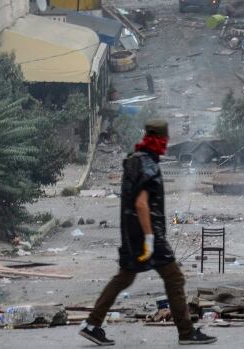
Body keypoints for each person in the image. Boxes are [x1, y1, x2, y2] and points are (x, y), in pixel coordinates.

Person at [79, 120, 217, 346]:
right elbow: (142, 204)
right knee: (174, 278)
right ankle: (186, 332)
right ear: (163, 139)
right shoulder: (148, 165)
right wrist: (150, 239)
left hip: (132, 235)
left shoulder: (135, 159)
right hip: (147, 236)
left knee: (123, 277)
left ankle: (92, 325)